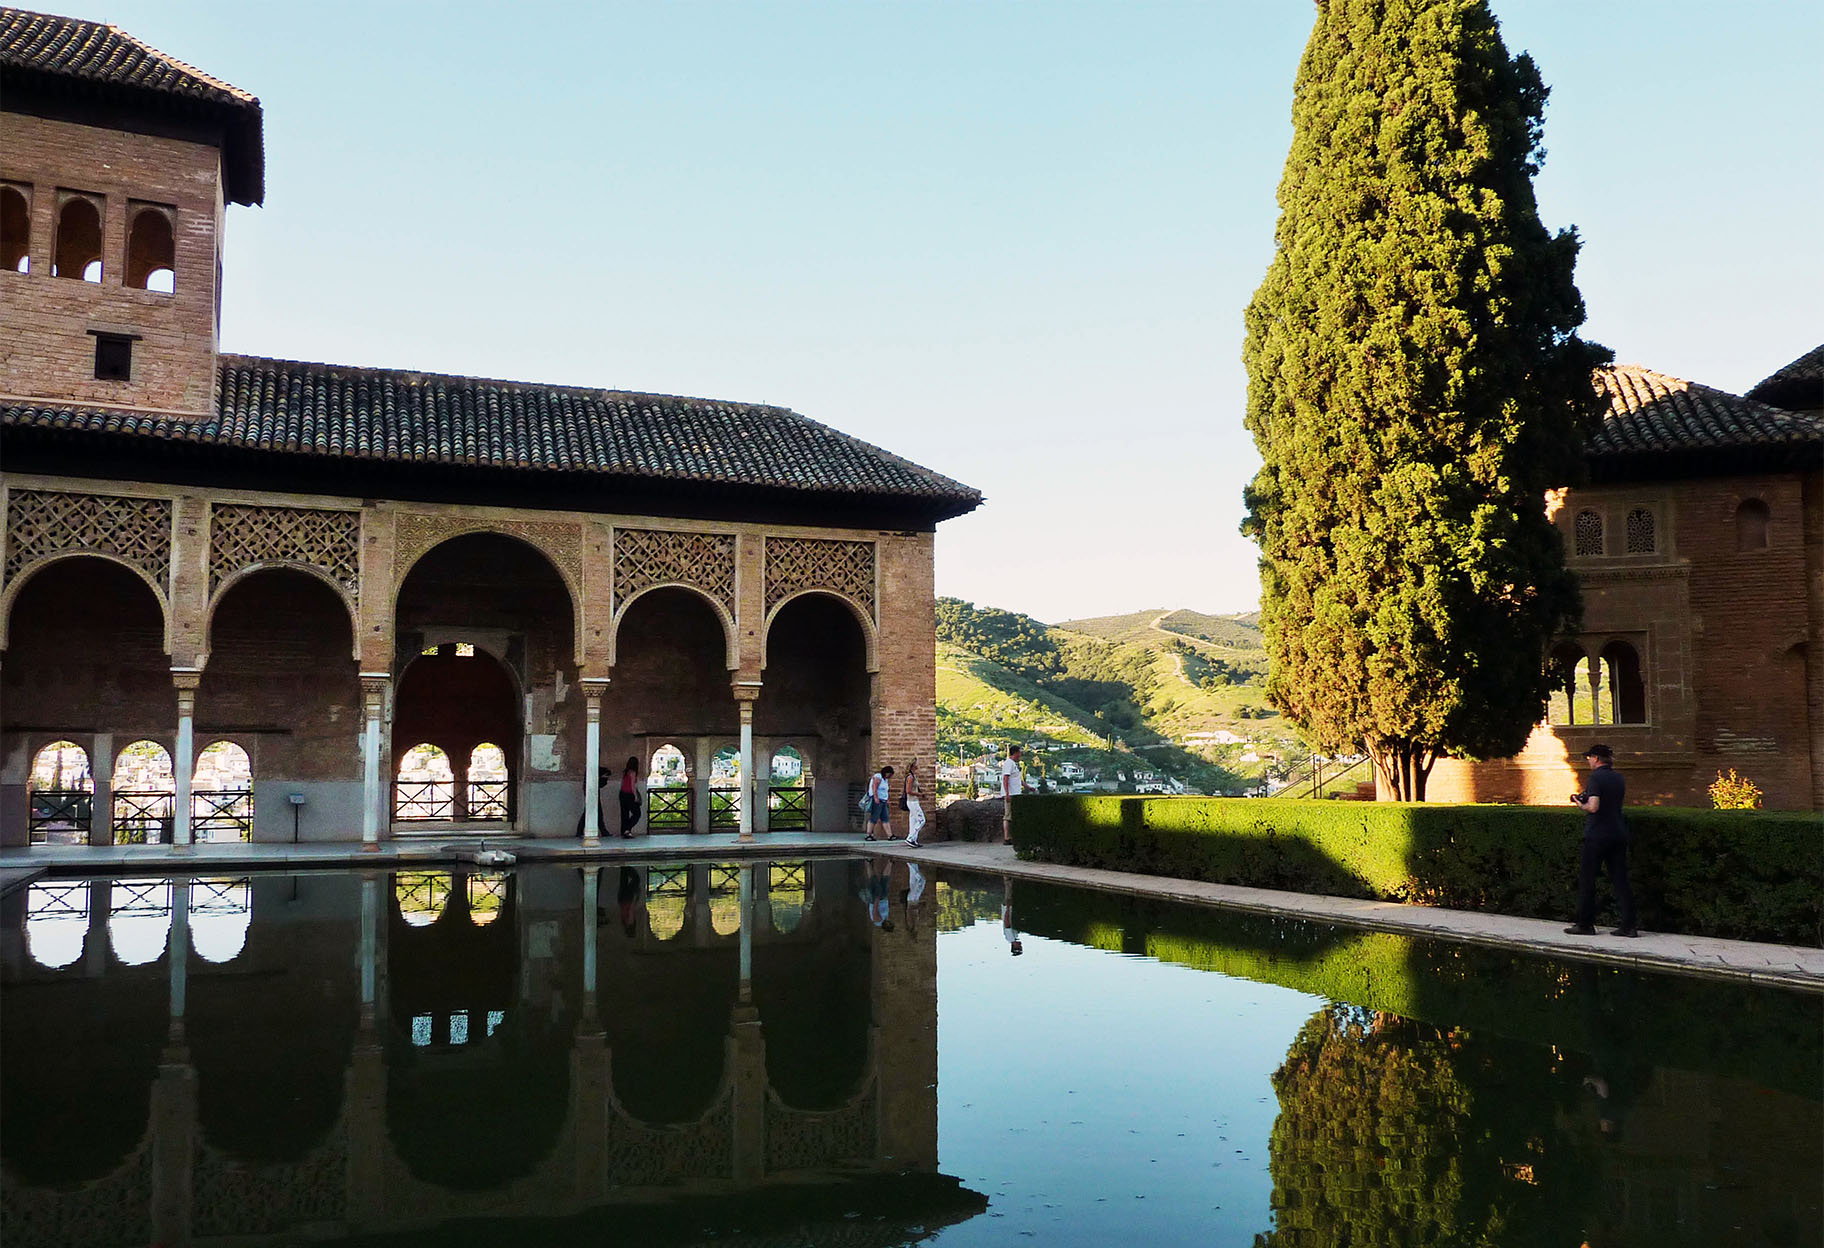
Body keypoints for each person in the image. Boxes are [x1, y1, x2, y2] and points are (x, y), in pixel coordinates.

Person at [1565, 743, 1638, 937]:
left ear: (1596, 758)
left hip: (1597, 834)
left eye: (1589, 757)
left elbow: (1594, 806)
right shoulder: (1618, 778)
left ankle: (1585, 924)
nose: (1588, 760)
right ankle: (1629, 926)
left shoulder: (1596, 777)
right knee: (1620, 879)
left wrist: (1581, 804)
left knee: (1588, 879)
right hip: (1618, 832)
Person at [862, 764, 896, 841]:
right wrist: (876, 798)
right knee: (874, 817)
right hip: (877, 800)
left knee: (885, 817)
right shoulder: (878, 777)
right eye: (889, 774)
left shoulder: (885, 780)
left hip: (883, 801)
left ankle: (890, 835)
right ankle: (868, 834)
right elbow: (874, 788)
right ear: (886, 772)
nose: (889, 776)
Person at [999, 744, 1024, 846]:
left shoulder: (1012, 764)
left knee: (1011, 816)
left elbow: (1017, 779)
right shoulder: (1009, 763)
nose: (1020, 755)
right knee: (1008, 816)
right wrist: (1007, 793)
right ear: (1016, 753)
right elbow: (1006, 778)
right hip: (1011, 794)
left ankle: (1010, 836)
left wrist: (1027, 786)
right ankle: (1007, 837)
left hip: (1015, 793)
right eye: (1020, 753)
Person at [576, 767, 611, 838]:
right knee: (589, 812)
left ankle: (604, 831)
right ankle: (579, 832)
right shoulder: (592, 769)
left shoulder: (593, 769)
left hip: (593, 790)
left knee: (597, 812)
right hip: (591, 791)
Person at [903, 758, 926, 847]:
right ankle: (910, 838)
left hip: (913, 801)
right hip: (912, 801)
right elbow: (908, 791)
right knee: (921, 820)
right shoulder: (910, 777)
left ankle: (914, 840)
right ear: (913, 765)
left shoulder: (913, 776)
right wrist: (919, 794)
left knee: (913, 821)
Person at [618, 755, 642, 839]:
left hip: (622, 794)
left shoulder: (625, 772)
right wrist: (636, 796)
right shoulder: (633, 773)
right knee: (637, 813)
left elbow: (622, 784)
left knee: (624, 813)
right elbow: (632, 785)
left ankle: (624, 831)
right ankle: (627, 829)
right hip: (629, 794)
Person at [1001, 876, 1022, 956]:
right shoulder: (1014, 937)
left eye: (1019, 947)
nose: (1021, 945)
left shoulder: (1010, 938)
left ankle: (1007, 878)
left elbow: (1007, 924)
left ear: (1014, 946)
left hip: (1008, 908)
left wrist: (1008, 908)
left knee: (1008, 892)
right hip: (1010, 909)